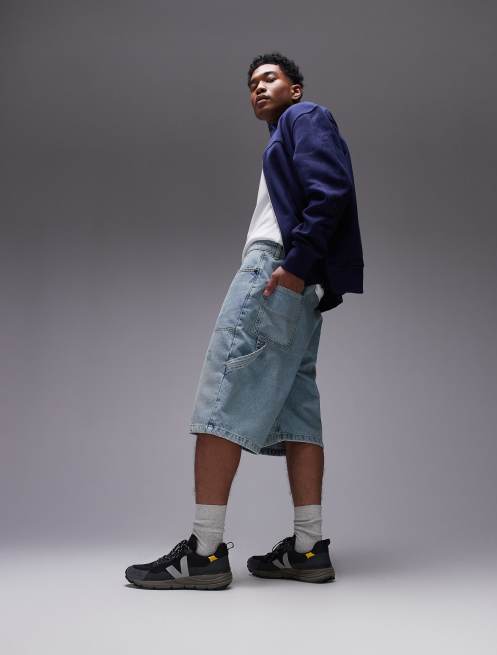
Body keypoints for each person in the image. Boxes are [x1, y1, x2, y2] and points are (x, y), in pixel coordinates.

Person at [125, 52, 364, 590]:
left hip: (276, 272)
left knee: (220, 397)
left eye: (270, 78)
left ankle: (204, 553)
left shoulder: (305, 117)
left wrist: (296, 264)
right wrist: (306, 270)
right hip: (302, 288)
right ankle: (308, 548)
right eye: (252, 83)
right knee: (299, 415)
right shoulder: (285, 135)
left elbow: (331, 191)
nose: (258, 87)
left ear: (295, 89)